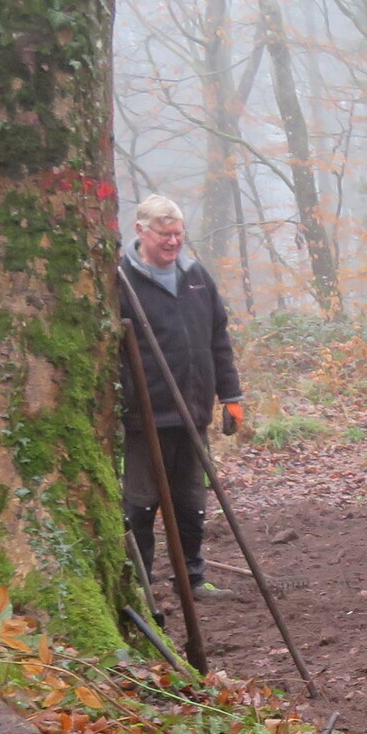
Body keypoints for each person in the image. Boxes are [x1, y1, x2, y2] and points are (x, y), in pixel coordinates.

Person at [117, 195, 242, 598]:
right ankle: (141, 586)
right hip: (144, 417)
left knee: (191, 501)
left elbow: (218, 337)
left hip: (193, 412)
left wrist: (231, 395)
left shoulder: (196, 276)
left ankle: (192, 578)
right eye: (164, 234)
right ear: (141, 231)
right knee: (140, 504)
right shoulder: (121, 280)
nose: (173, 242)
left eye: (178, 234)